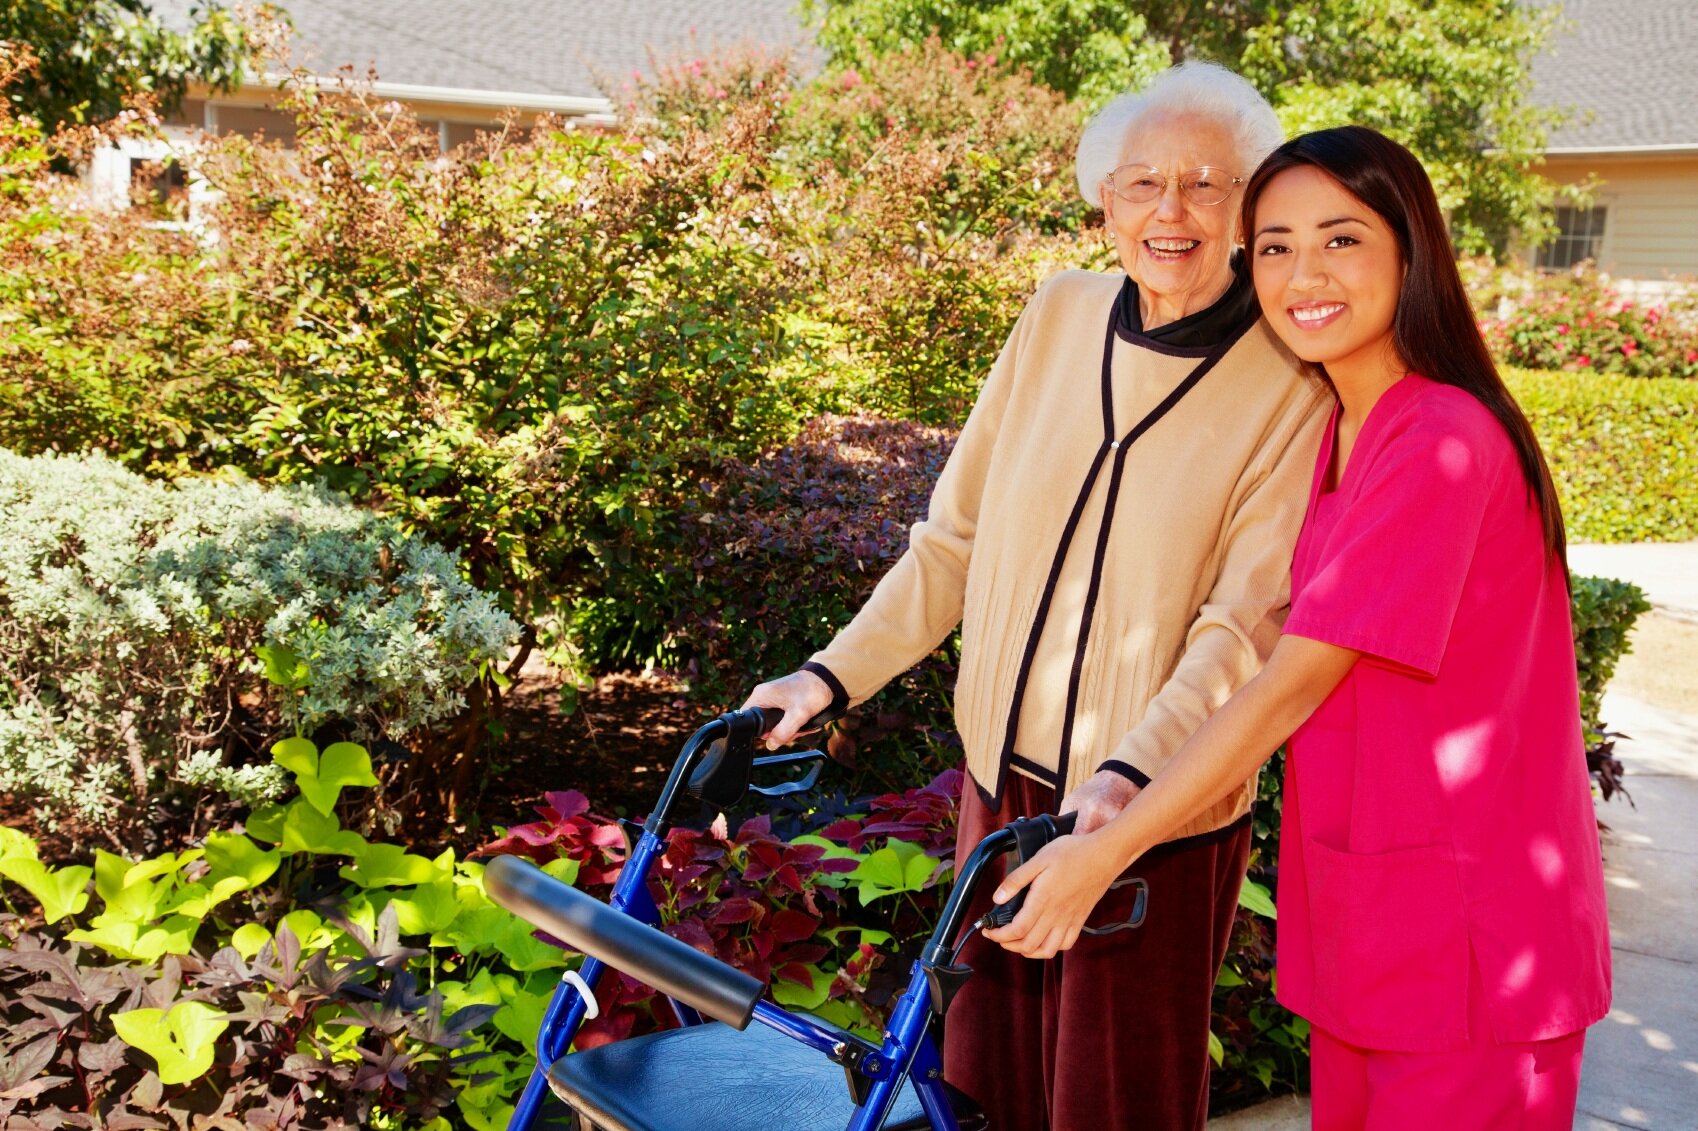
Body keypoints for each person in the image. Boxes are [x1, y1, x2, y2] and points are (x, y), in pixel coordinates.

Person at [743, 63, 1331, 1131]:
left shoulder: (1292, 380)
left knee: (1115, 1106)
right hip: (997, 794)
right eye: (1142, 182)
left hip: (1148, 822)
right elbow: (954, 541)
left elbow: (1241, 631)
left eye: (1206, 184)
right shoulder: (1058, 314)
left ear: (1249, 207)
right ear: (1104, 199)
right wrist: (827, 678)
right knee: (979, 1092)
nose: (1171, 210)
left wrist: (1127, 787)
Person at [990, 125, 1611, 1129]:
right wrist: (1124, 775)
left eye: (1341, 239)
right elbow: (1259, 629)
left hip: (1471, 949)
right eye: (1274, 246)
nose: (1302, 274)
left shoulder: (1441, 440)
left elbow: (1289, 681)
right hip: (1375, 932)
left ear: (1411, 251)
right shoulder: (1343, 424)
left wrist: (1107, 854)